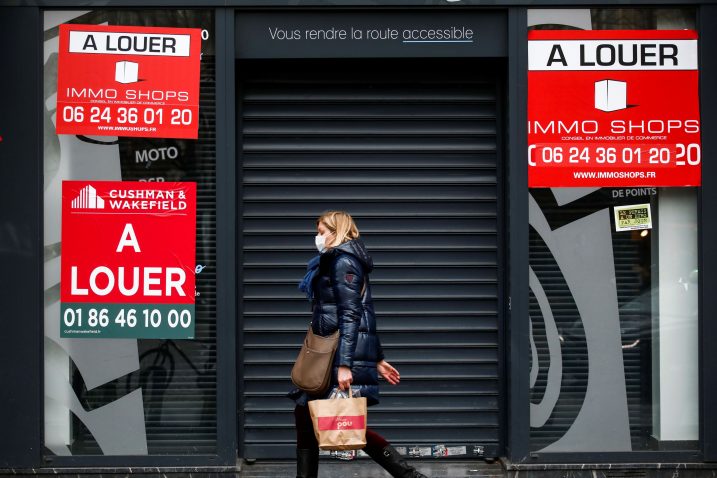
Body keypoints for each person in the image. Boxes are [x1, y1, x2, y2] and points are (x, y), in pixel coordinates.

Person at [289, 211, 428, 478]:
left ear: (337, 231)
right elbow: (364, 311)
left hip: (334, 353)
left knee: (341, 419)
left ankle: (410, 476)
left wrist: (344, 364)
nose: (317, 238)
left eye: (321, 232)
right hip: (328, 349)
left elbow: (351, 313)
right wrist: (376, 358)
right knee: (310, 416)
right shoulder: (335, 261)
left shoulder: (343, 263)